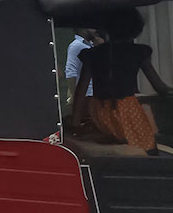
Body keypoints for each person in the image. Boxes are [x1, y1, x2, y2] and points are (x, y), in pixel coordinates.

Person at [72, 8, 171, 155]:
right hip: (128, 110)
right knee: (146, 151)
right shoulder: (138, 52)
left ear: (105, 28)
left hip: (98, 111)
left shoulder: (92, 55)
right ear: (135, 28)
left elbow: (81, 90)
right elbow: (159, 87)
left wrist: (75, 121)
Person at [65, 28, 99, 105]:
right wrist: (74, 96)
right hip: (86, 97)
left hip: (94, 95)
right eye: (91, 27)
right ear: (82, 29)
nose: (95, 30)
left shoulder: (91, 45)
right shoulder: (76, 45)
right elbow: (71, 72)